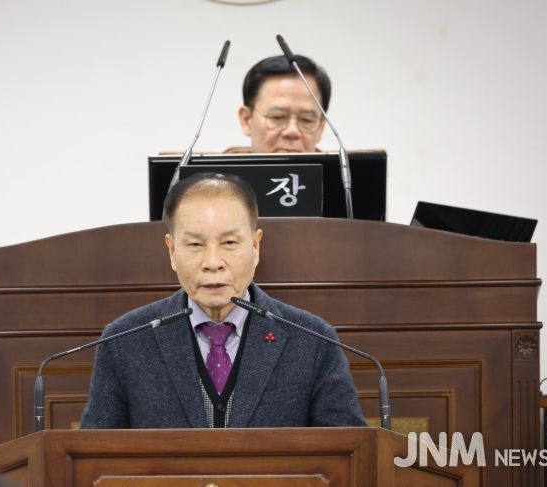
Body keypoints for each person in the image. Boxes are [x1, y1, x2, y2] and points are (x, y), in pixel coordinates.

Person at [80, 173, 365, 428]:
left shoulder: (313, 340)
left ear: (255, 246)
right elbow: (94, 457)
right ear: (171, 250)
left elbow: (348, 452)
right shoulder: (124, 340)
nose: (213, 262)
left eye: (229, 243)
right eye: (195, 244)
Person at [236, 55, 331, 154]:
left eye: (306, 120)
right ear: (246, 120)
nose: (292, 131)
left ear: (321, 128)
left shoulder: (341, 164)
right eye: (277, 117)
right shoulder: (222, 166)